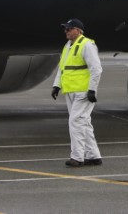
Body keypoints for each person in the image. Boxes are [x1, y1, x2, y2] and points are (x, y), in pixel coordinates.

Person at [51, 18, 103, 167]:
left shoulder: (87, 45)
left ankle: (77, 157)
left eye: (69, 28)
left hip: (83, 92)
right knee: (83, 123)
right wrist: (56, 86)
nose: (66, 31)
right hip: (70, 91)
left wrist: (92, 89)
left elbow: (96, 69)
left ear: (78, 31)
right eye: (65, 29)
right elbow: (63, 68)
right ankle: (93, 155)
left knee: (75, 122)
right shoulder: (67, 46)